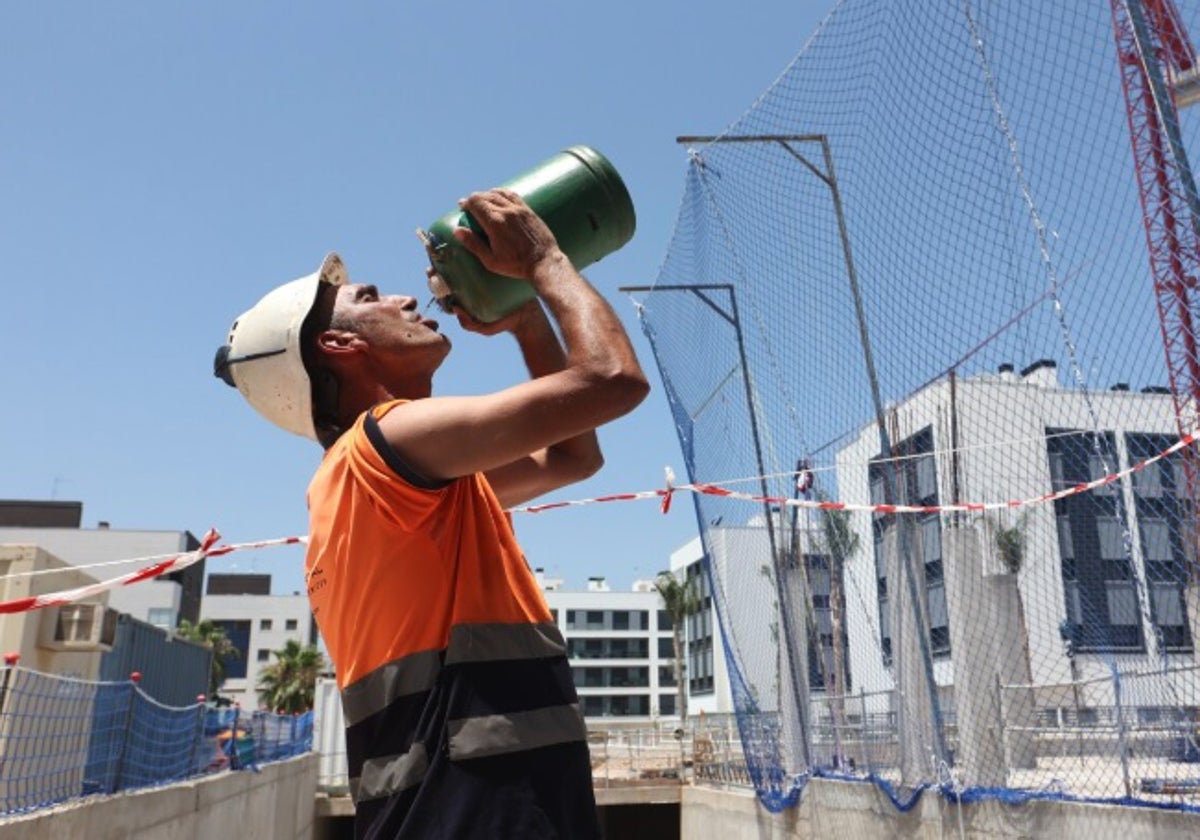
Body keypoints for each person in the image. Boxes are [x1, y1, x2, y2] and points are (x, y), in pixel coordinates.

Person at [214, 188, 649, 839]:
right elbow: (613, 379)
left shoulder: (379, 483)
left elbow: (572, 458)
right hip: (475, 812)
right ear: (338, 345)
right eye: (372, 298)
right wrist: (545, 261)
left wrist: (527, 321)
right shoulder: (387, 444)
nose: (407, 299)